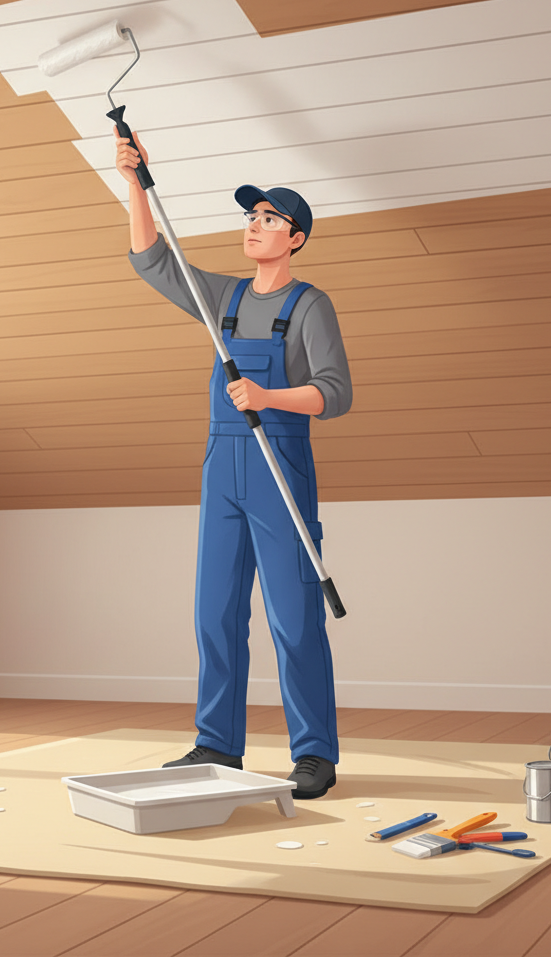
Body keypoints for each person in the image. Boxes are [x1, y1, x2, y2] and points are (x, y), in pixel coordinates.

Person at [115, 130, 352, 799]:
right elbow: (151, 261)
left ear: (296, 236)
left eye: (269, 219)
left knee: (292, 615)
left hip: (280, 464)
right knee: (214, 610)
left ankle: (313, 752)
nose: (255, 227)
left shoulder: (309, 306)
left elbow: (335, 393)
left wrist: (269, 395)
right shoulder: (223, 298)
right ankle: (217, 743)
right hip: (223, 469)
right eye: (251, 217)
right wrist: (136, 182)